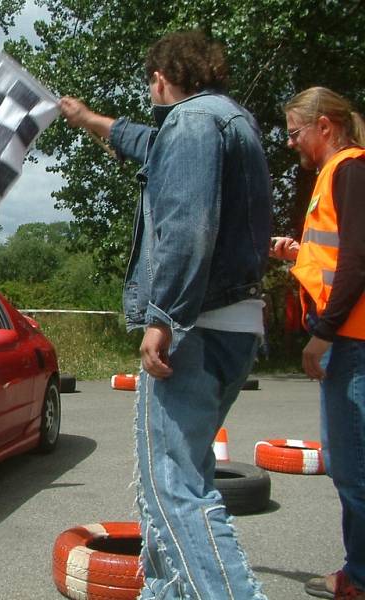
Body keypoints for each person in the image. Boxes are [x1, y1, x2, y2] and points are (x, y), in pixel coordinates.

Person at [60, 30, 272, 599]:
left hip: (196, 325)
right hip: (235, 322)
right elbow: (142, 142)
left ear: (160, 77)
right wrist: (84, 118)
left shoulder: (192, 123)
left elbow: (187, 226)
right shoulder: (233, 121)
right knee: (178, 479)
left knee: (174, 486)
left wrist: (164, 318)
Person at [270, 86, 365, 600]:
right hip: (349, 341)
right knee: (352, 468)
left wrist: (321, 335)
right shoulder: (337, 174)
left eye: (294, 132)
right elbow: (335, 258)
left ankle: (361, 577)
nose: (291, 143)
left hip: (351, 343)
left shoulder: (350, 169)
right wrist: (298, 255)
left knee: (353, 471)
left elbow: (357, 263)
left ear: (324, 126)